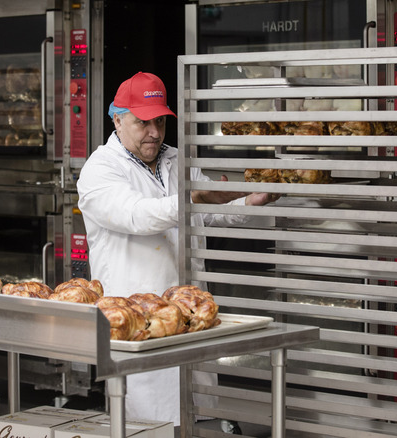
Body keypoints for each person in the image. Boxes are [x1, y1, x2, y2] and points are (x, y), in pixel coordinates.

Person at [76, 71, 276, 425]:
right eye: (143, 123)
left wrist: (248, 203)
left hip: (192, 314)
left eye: (160, 122)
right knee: (148, 425)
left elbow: (206, 215)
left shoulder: (177, 160)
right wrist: (192, 197)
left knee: (200, 418)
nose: (154, 132)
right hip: (139, 322)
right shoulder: (100, 170)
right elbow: (138, 216)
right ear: (117, 119)